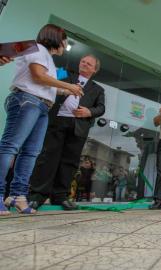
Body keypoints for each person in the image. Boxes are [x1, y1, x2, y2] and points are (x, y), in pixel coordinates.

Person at [0, 24, 83, 216]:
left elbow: (44, 83)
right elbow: (38, 76)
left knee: (31, 153)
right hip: (27, 101)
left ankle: (18, 196)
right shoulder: (37, 49)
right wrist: (68, 86)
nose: (65, 44)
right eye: (64, 40)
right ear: (56, 37)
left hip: (42, 106)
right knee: (10, 147)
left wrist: (63, 90)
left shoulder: (48, 59)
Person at [28, 54, 105, 211]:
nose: (84, 64)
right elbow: (48, 81)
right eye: (83, 61)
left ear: (95, 70)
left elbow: (101, 108)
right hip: (57, 120)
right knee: (48, 157)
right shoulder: (64, 73)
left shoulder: (98, 89)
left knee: (69, 162)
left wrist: (89, 112)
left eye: (89, 64)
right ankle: (37, 195)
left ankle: (60, 196)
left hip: (79, 126)